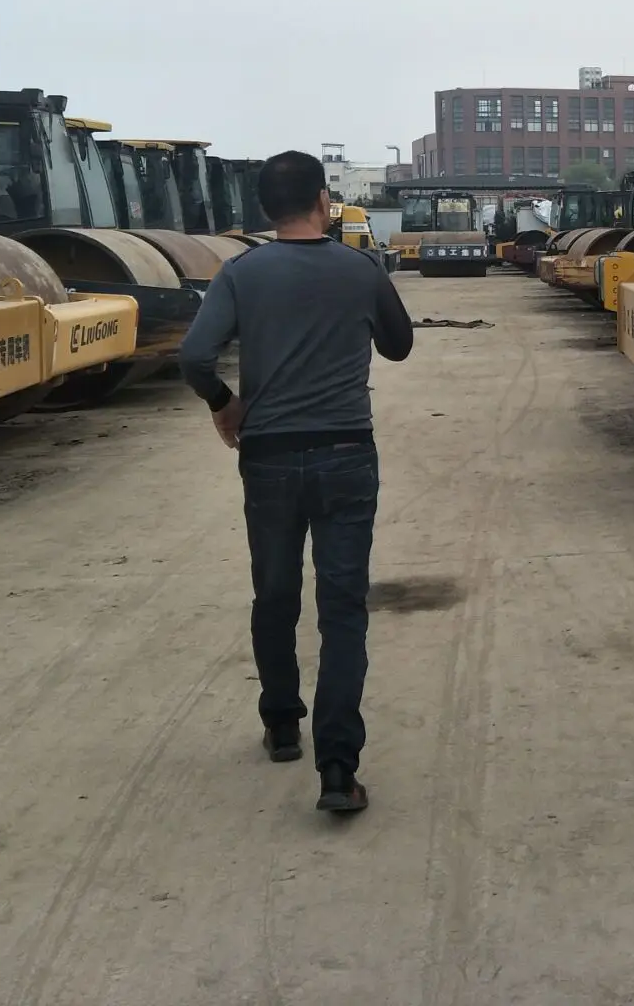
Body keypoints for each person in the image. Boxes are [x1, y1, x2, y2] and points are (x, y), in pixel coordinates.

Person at [179, 149, 414, 814]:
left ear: (264, 208)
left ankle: (282, 722)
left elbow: (195, 356)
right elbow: (399, 345)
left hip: (270, 457)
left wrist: (225, 404)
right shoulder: (360, 268)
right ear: (323, 203)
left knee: (276, 591)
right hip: (346, 454)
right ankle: (337, 768)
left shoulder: (241, 273)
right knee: (343, 609)